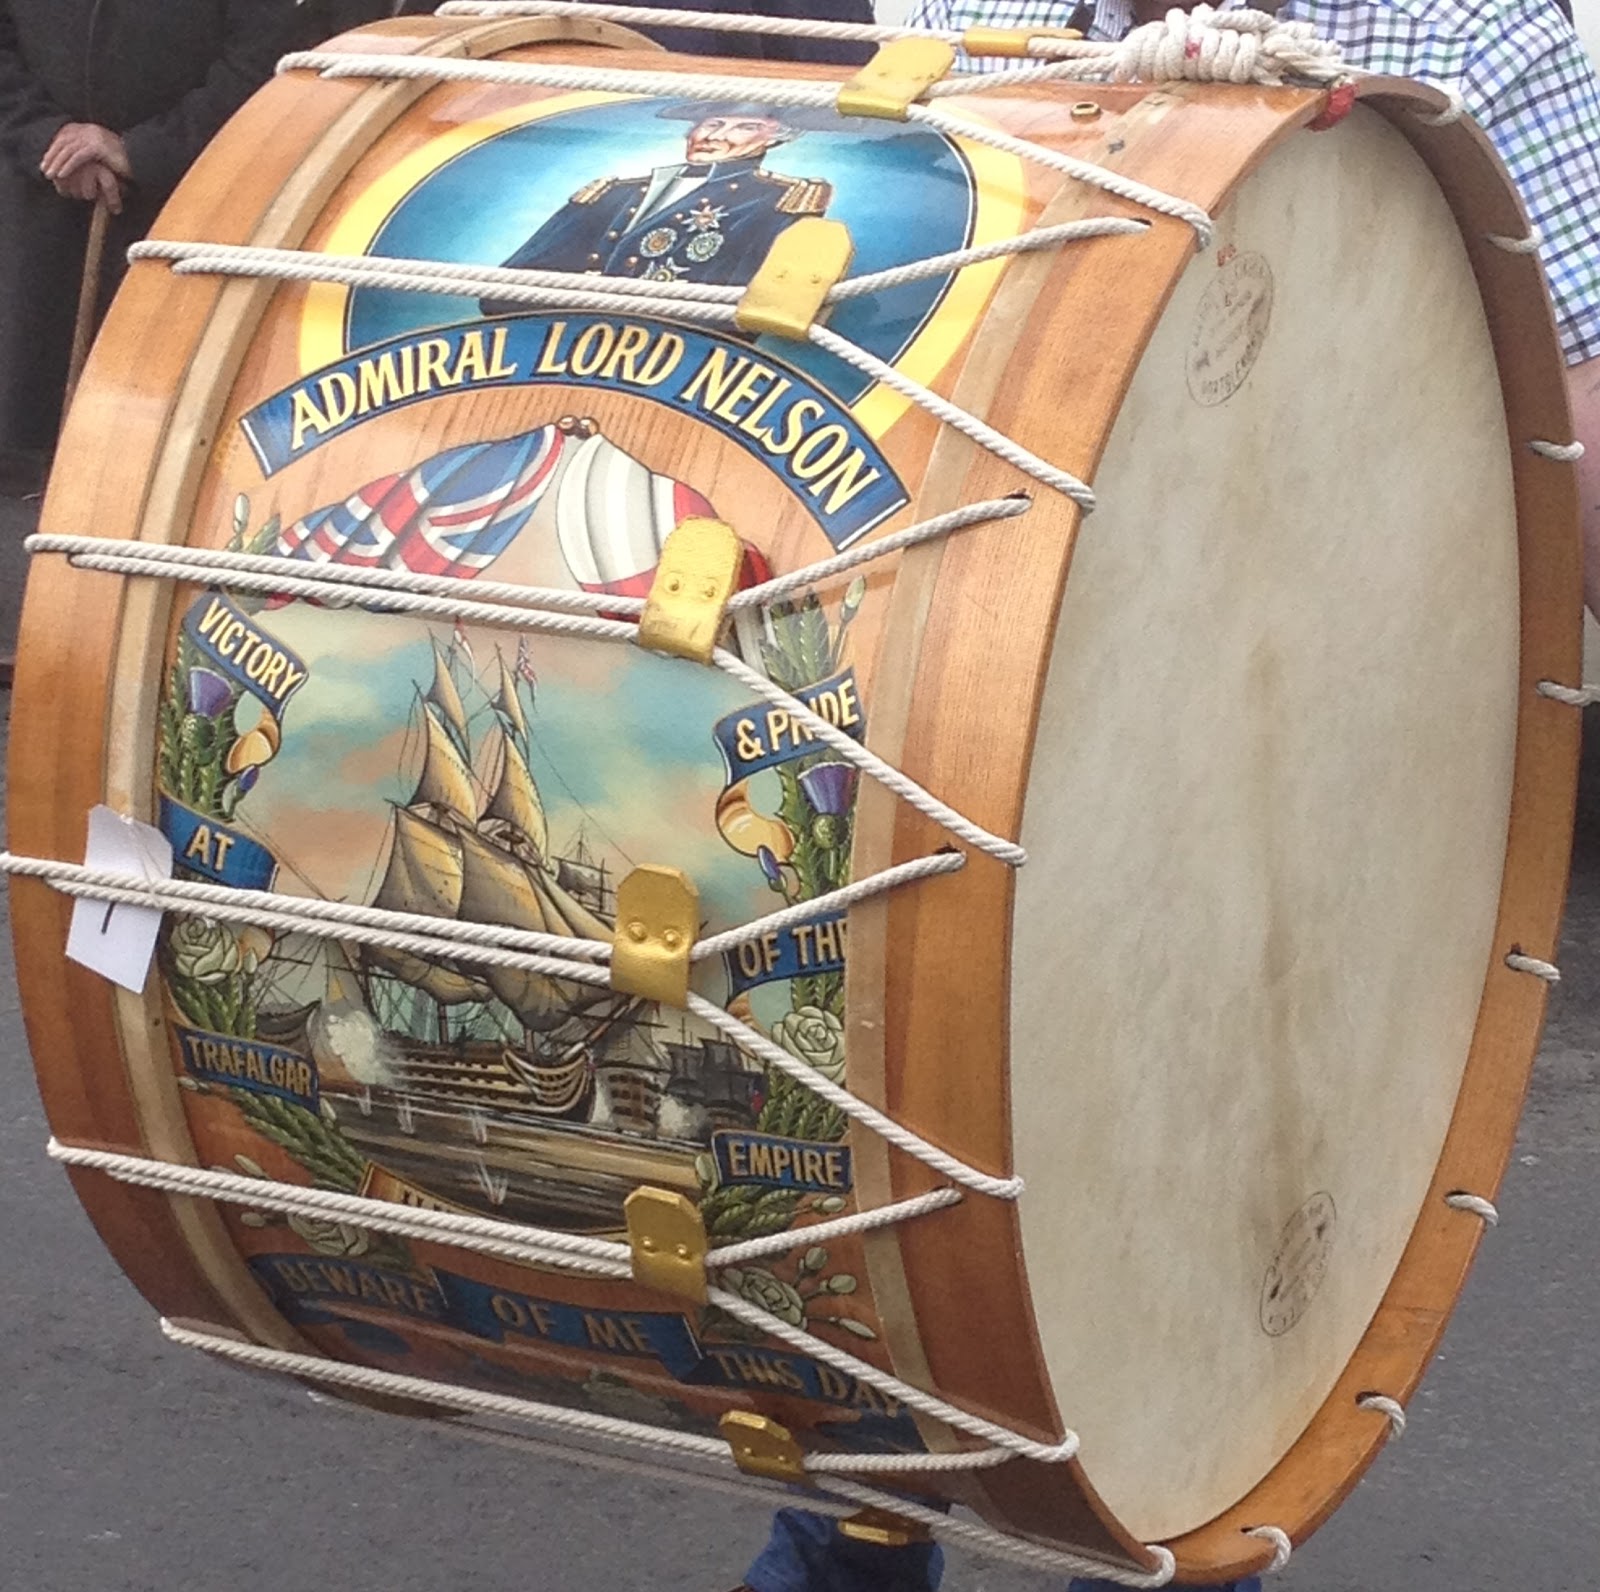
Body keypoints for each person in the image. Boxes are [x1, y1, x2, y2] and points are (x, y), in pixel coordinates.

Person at [718, 9, 1600, 1591]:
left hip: (1253, 790)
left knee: (1168, 1334)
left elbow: (1564, 462)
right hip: (917, 742)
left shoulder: (1485, 29)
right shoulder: (950, 10)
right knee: (870, 1335)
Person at [0, 0, 299, 490]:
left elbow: (265, 59)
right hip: (32, 214)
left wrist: (142, 151)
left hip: (191, 206)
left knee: (153, 453)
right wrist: (45, 139)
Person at [481, 101, 835, 304]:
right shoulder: (610, 191)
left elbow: (745, 313)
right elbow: (503, 290)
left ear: (775, 140)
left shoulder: (777, 200)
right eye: (712, 123)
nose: (715, 135)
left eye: (744, 128)